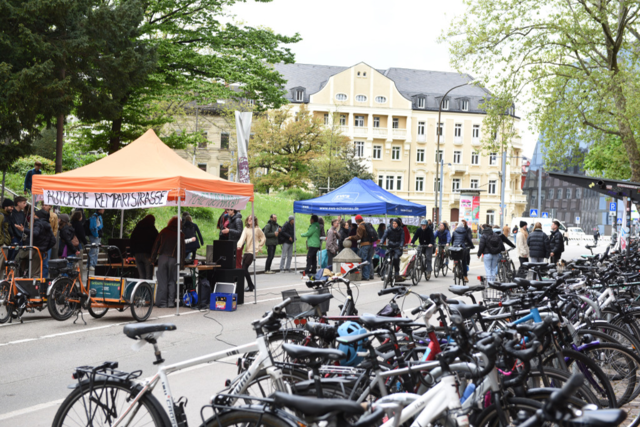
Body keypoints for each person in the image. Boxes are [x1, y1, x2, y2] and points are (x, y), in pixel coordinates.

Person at [151, 216, 185, 308]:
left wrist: (153, 259)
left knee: (162, 281)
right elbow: (182, 251)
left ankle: (162, 303)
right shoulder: (180, 235)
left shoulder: (164, 231)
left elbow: (155, 246)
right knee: (172, 281)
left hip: (162, 258)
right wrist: (181, 265)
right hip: (174, 259)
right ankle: (170, 302)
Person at [15, 209, 56, 278]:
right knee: (35, 274)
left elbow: (35, 233)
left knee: (15, 262)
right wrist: (44, 249)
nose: (34, 217)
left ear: (38, 216)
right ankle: (34, 288)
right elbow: (53, 241)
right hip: (39, 251)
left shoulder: (38, 223)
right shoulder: (48, 226)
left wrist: (23, 230)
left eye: (35, 215)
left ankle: (16, 282)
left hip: (32, 249)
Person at [237, 215, 266, 292]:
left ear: (254, 220)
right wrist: (239, 245)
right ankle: (251, 285)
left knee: (244, 268)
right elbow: (242, 238)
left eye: (251, 219)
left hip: (253, 250)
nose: (249, 220)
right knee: (243, 268)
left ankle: (250, 286)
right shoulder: (246, 229)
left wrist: (259, 246)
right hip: (247, 250)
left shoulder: (257, 229)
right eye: (249, 219)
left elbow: (263, 238)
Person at [130, 215, 159, 280]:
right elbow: (157, 242)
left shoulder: (137, 228)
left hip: (137, 254)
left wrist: (132, 253)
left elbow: (132, 240)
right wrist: (155, 255)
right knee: (148, 277)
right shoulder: (152, 229)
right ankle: (148, 290)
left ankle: (142, 290)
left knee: (141, 277)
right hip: (147, 254)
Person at [349, 214, 374, 280]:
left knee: (364, 260)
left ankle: (365, 276)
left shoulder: (360, 226)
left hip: (364, 245)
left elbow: (358, 237)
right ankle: (369, 275)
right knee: (369, 260)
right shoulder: (368, 225)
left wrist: (350, 237)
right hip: (371, 245)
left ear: (357, 221)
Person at [36, 203, 58, 277]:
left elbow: (55, 228)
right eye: (42, 205)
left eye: (45, 205)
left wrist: (51, 237)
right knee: (37, 261)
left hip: (47, 240)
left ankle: (44, 278)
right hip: (38, 240)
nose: (43, 206)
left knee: (45, 262)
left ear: (50, 206)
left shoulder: (54, 215)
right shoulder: (38, 214)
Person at [8, 196, 28, 261]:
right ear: (18, 203)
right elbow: (9, 225)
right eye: (24, 203)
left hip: (21, 237)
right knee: (12, 255)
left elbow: (25, 224)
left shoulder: (22, 213)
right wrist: (12, 236)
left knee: (18, 256)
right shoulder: (11, 212)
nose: (25, 205)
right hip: (14, 237)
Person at [0, 199, 14, 279]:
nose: (12, 208)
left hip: (5, 243)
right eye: (11, 206)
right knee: (1, 265)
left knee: (2, 267)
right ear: (6, 207)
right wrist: (2, 242)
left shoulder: (6, 215)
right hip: (3, 244)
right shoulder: (2, 216)